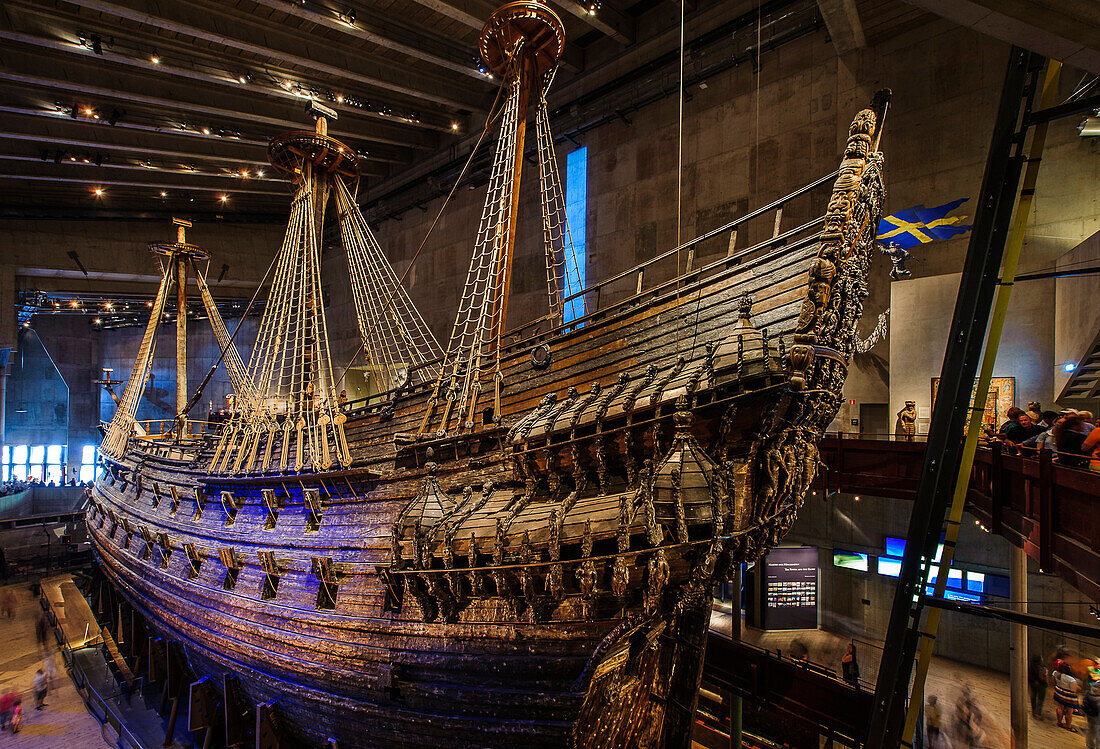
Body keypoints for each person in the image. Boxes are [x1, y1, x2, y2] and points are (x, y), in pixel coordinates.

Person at [1054, 662, 1082, 732]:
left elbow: (1054, 681)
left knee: (1060, 707)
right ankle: (1068, 726)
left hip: (1059, 692)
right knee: (1069, 712)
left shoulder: (1056, 673)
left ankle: (1059, 722)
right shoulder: (1071, 679)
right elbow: (1073, 690)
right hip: (1068, 696)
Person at [1029, 653, 1048, 719]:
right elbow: (1043, 677)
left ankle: (1033, 711)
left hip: (1032, 683)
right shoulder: (1041, 667)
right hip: (1041, 684)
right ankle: (1038, 712)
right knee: (1040, 698)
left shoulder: (1031, 666)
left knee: (1033, 697)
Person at [1085, 666, 1100, 749]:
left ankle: (1089, 746)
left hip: (1090, 712)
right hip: (1097, 713)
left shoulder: (1094, 685)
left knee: (1091, 730)